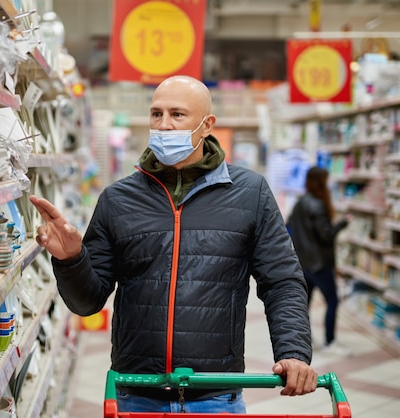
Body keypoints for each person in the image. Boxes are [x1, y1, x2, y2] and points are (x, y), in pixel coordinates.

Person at [30, 75, 318, 414]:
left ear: (207, 124)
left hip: (215, 395)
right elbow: (87, 303)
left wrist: (294, 352)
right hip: (136, 392)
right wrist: (71, 260)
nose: (163, 125)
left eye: (177, 115)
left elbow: (281, 281)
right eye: (156, 114)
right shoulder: (118, 199)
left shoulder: (250, 193)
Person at [286, 166, 351, 354]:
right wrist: (343, 223)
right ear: (320, 182)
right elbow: (327, 235)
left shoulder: (300, 203)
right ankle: (330, 342)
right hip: (319, 264)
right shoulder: (317, 205)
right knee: (332, 301)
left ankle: (305, 339)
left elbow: (289, 226)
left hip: (303, 262)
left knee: (305, 302)